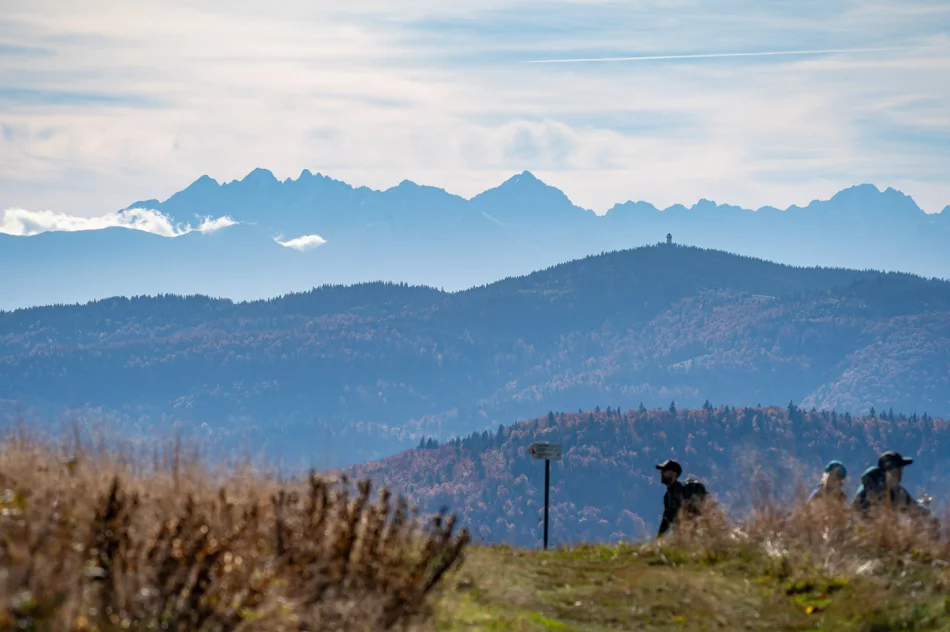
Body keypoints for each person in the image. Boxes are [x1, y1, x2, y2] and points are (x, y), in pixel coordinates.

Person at [656, 459, 707, 537]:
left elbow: (699, 509)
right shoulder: (667, 497)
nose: (661, 473)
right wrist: (657, 540)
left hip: (696, 533)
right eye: (661, 471)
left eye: (665, 470)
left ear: (674, 474)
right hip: (682, 536)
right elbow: (666, 522)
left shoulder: (687, 487)